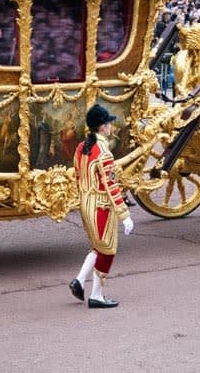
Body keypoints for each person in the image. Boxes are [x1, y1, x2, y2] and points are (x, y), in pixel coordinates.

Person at [69, 104, 133, 308]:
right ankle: (97, 295)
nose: (111, 127)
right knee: (107, 250)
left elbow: (78, 175)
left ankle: (79, 280)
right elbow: (111, 186)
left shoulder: (81, 147)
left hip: (86, 203)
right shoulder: (104, 153)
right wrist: (125, 215)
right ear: (103, 127)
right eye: (109, 124)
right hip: (101, 205)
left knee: (97, 246)